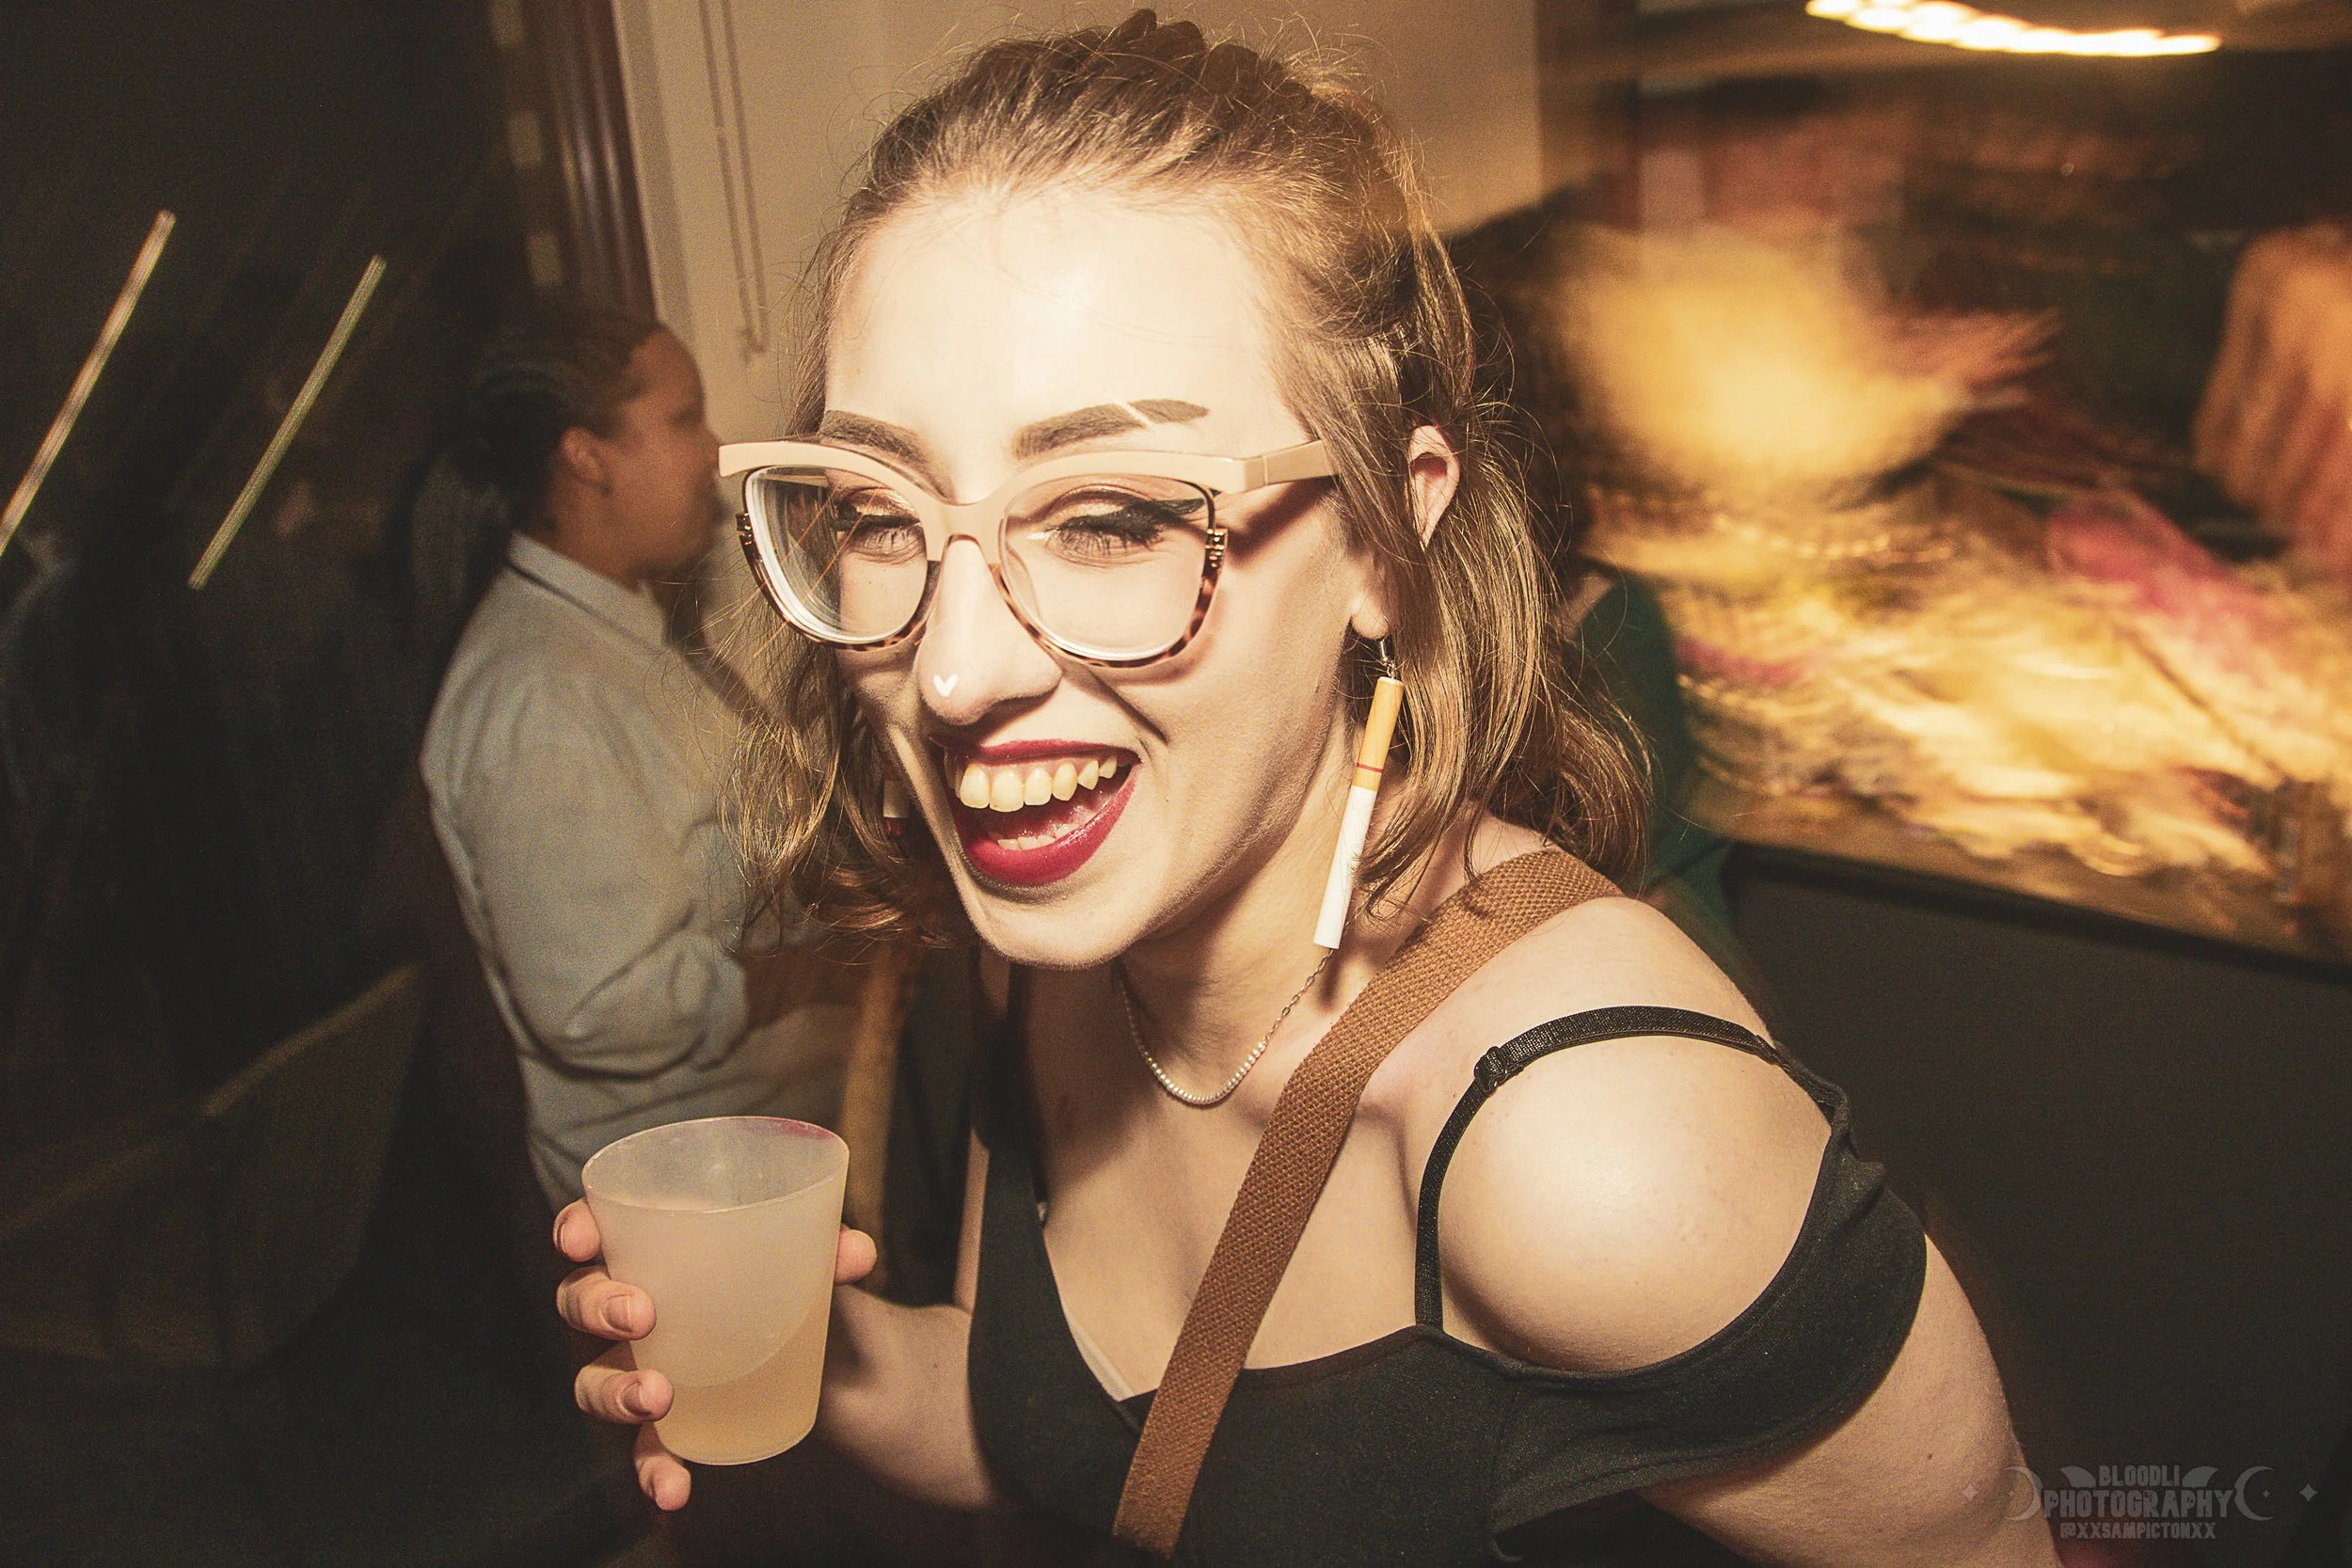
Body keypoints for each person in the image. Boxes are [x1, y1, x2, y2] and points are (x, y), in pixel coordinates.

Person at [553, 16, 2058, 1564]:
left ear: (1379, 544)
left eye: (1118, 516)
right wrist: (820, 1357)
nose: (949, 673)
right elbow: (1078, 1436)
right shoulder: (1050, 942)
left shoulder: (1591, 1151)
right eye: (880, 511)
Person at [421, 305, 850, 1207]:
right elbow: (602, 1003)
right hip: (698, 1198)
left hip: (773, 1152)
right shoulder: (540, 697)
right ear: (587, 456)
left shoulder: (621, 635)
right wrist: (809, 973)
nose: (711, 450)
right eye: (685, 418)